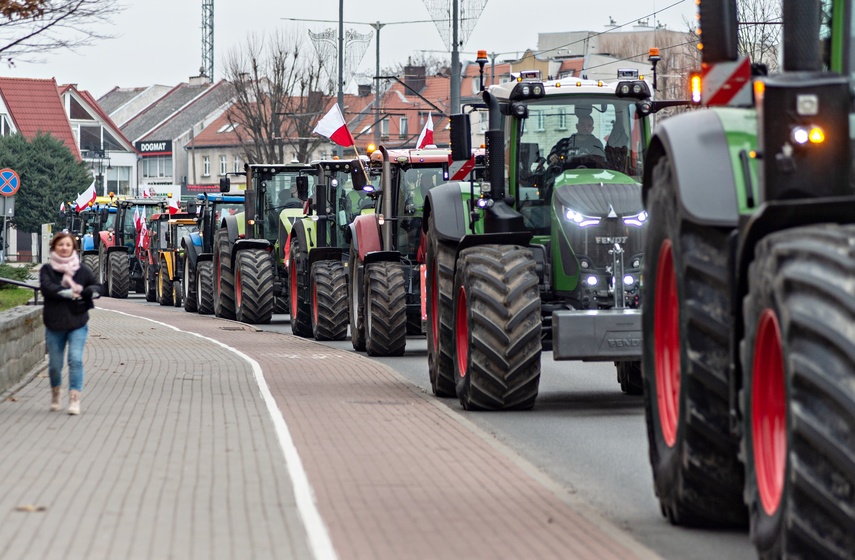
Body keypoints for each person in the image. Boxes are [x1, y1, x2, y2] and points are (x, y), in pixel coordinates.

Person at [39, 232, 104, 415]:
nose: (64, 248)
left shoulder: (82, 270)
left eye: (68, 245)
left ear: (73, 248)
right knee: (55, 365)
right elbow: (47, 288)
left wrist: (90, 292)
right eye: (61, 245)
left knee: (75, 360)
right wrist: (65, 292)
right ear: (54, 247)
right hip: (54, 323)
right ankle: (56, 393)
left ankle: (74, 399)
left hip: (77, 322)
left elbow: (98, 286)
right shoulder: (47, 270)